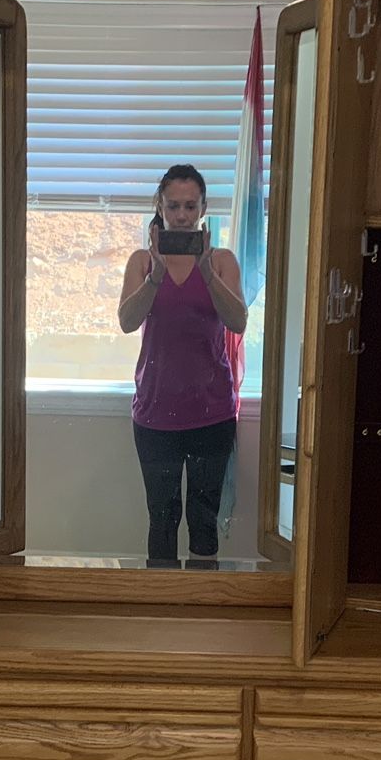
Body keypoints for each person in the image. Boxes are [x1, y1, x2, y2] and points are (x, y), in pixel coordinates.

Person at [116, 164, 248, 563]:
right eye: (174, 206)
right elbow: (126, 321)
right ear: (160, 206)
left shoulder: (222, 260)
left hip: (212, 413)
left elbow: (238, 320)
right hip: (156, 414)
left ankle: (201, 610)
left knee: (203, 518)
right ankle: (161, 610)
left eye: (191, 206)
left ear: (204, 208)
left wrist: (207, 274)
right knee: (162, 517)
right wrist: (155, 276)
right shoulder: (141, 262)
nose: (182, 215)